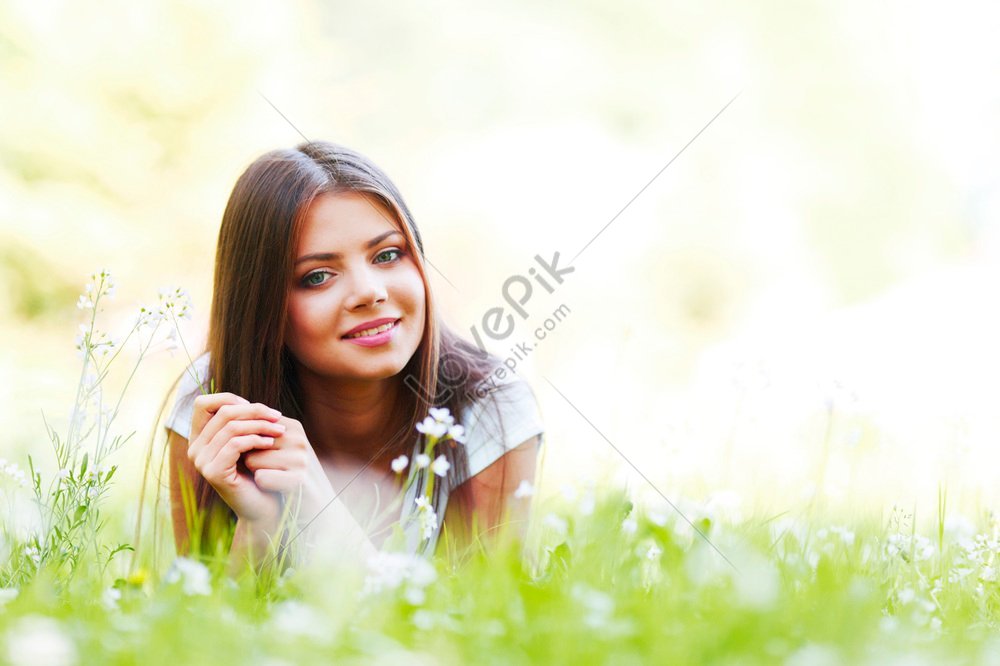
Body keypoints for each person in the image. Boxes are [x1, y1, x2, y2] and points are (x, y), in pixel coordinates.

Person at [160, 141, 544, 576]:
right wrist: (259, 526)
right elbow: (200, 632)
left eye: (387, 255)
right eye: (318, 277)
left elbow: (477, 632)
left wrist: (319, 506)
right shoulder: (218, 403)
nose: (369, 291)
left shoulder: (490, 407)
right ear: (263, 307)